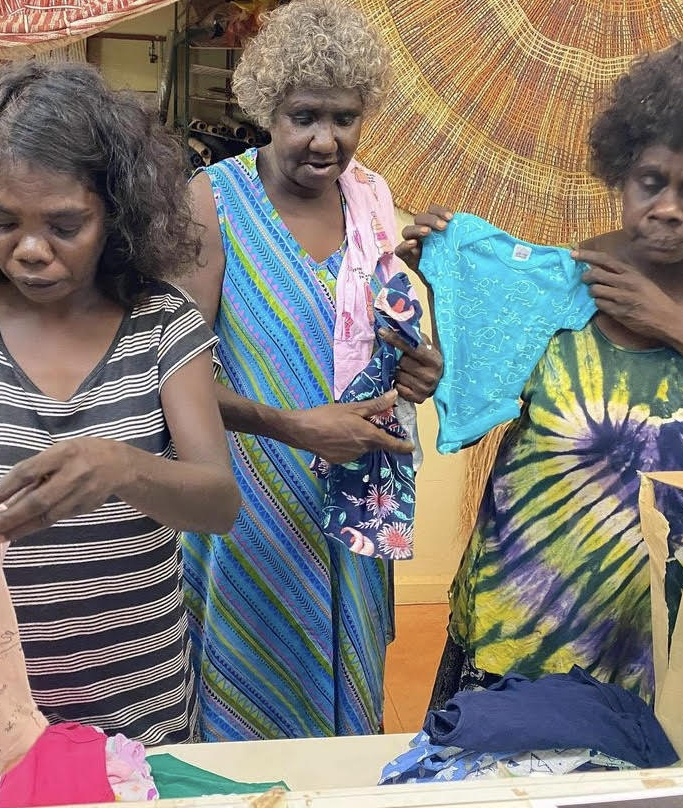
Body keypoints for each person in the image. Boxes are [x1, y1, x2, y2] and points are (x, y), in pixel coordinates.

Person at [0, 61, 240, 745]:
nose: (29, 251)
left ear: (116, 212)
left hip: (137, 706)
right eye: (3, 220)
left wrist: (124, 469)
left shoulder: (162, 324)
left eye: (64, 224)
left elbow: (217, 504)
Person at [398, 32, 683, 705]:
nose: (665, 206)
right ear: (620, 176)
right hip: (525, 631)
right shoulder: (555, 286)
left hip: (676, 649)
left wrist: (667, 319)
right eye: (649, 181)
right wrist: (449, 283)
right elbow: (467, 384)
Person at [183, 0, 443, 740]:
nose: (326, 140)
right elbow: (174, 370)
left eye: (344, 117)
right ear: (267, 107)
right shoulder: (213, 201)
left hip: (352, 501)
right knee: (250, 688)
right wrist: (294, 427)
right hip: (251, 498)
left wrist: (418, 371)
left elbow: (381, 342)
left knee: (341, 699)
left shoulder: (372, 200)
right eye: (304, 115)